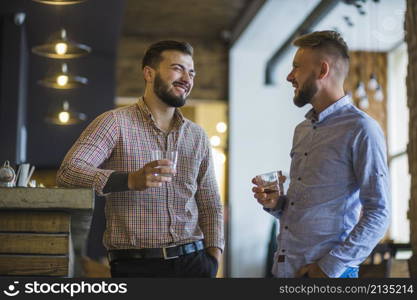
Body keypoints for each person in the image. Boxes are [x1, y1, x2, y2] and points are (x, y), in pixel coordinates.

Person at [57, 40, 224, 278]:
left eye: (191, 72)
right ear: (149, 73)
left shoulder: (197, 135)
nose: (187, 78)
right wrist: (130, 180)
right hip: (136, 267)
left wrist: (213, 259)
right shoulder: (114, 123)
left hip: (194, 263)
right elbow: (68, 172)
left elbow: (210, 203)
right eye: (177, 68)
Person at [252, 31, 389, 278]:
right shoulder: (302, 130)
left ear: (322, 71)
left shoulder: (362, 129)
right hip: (284, 269)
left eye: (296, 68)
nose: (289, 77)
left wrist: (329, 268)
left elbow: (379, 212)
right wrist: (276, 205)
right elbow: (308, 209)